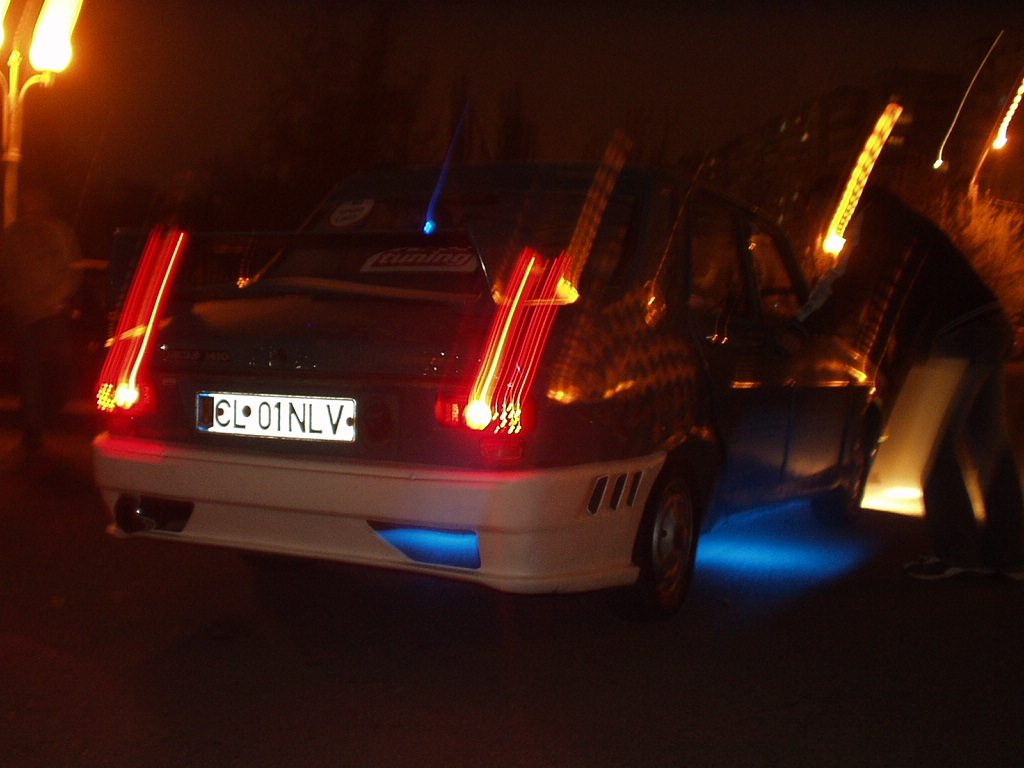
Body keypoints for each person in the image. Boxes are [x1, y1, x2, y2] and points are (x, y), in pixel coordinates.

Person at [801, 186, 1024, 581]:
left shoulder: (880, 223)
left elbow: (853, 285)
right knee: (989, 444)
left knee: (935, 443)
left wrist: (805, 329)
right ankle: (1011, 556)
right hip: (988, 324)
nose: (825, 224)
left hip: (960, 333)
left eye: (820, 212)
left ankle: (959, 553)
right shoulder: (901, 223)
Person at [0, 187, 84, 451]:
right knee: (29, 372)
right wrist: (16, 300)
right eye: (29, 202)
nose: (33, 207)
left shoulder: (60, 232)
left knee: (62, 366)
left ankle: (57, 412)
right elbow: (6, 270)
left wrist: (59, 299)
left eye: (38, 201)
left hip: (53, 312)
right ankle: (33, 426)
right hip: (26, 314)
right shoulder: (14, 235)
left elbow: (73, 270)